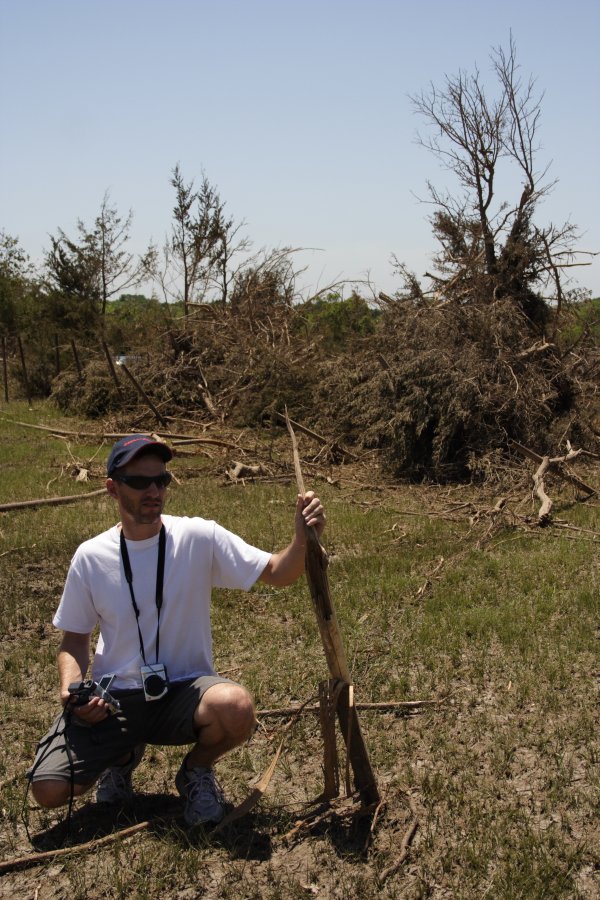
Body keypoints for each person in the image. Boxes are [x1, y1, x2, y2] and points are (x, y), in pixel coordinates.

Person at [28, 433, 326, 826]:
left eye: (161, 481)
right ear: (112, 489)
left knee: (235, 708)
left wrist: (301, 538)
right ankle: (121, 757)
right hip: (113, 699)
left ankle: (195, 772)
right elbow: (74, 640)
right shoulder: (90, 557)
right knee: (47, 789)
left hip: (183, 691)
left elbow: (279, 572)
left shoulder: (198, 537)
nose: (153, 491)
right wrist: (70, 689)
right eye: (140, 482)